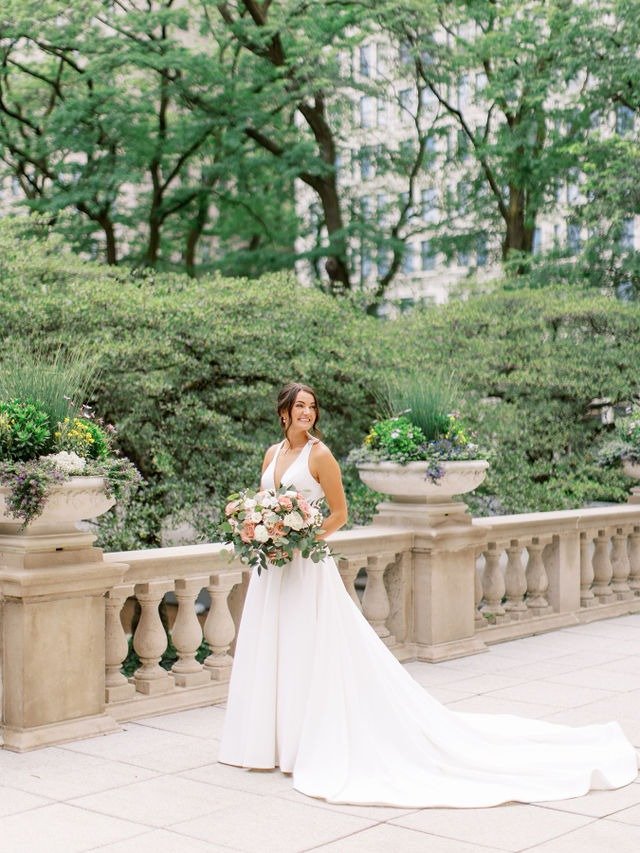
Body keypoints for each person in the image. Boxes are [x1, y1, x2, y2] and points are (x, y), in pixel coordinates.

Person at [218, 382, 639, 808]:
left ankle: (301, 742)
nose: (308, 412)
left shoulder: (320, 455)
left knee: (305, 647)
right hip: (272, 568)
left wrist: (301, 538)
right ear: (284, 412)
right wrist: (261, 531)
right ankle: (267, 741)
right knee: (275, 646)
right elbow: (264, 502)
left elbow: (340, 513)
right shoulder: (272, 454)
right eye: (300, 406)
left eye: (313, 406)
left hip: (305, 566)